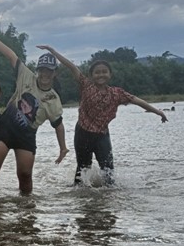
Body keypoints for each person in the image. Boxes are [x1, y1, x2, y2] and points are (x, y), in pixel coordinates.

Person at [36, 44, 168, 185]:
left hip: (102, 135)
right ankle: (80, 197)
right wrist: (53, 51)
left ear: (110, 74)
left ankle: (107, 201)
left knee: (108, 171)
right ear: (91, 76)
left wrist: (157, 111)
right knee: (82, 170)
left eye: (104, 72)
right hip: (83, 134)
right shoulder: (86, 86)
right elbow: (72, 67)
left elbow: (136, 100)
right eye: (97, 72)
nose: (101, 75)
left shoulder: (117, 93)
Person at [0, 31, 68, 195]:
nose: (45, 74)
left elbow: (58, 125)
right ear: (37, 70)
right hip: (6, 127)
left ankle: (26, 210)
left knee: (25, 175)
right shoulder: (26, 76)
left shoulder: (54, 99)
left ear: (55, 73)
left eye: (49, 71)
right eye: (42, 70)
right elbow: (12, 56)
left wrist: (63, 148)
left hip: (27, 135)